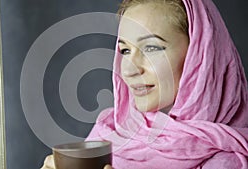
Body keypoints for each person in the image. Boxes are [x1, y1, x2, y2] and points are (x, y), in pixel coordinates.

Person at [42, 0, 248, 168]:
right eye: (125, 51)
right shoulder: (109, 132)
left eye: (151, 48)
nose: (129, 71)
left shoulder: (229, 159)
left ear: (201, 54)